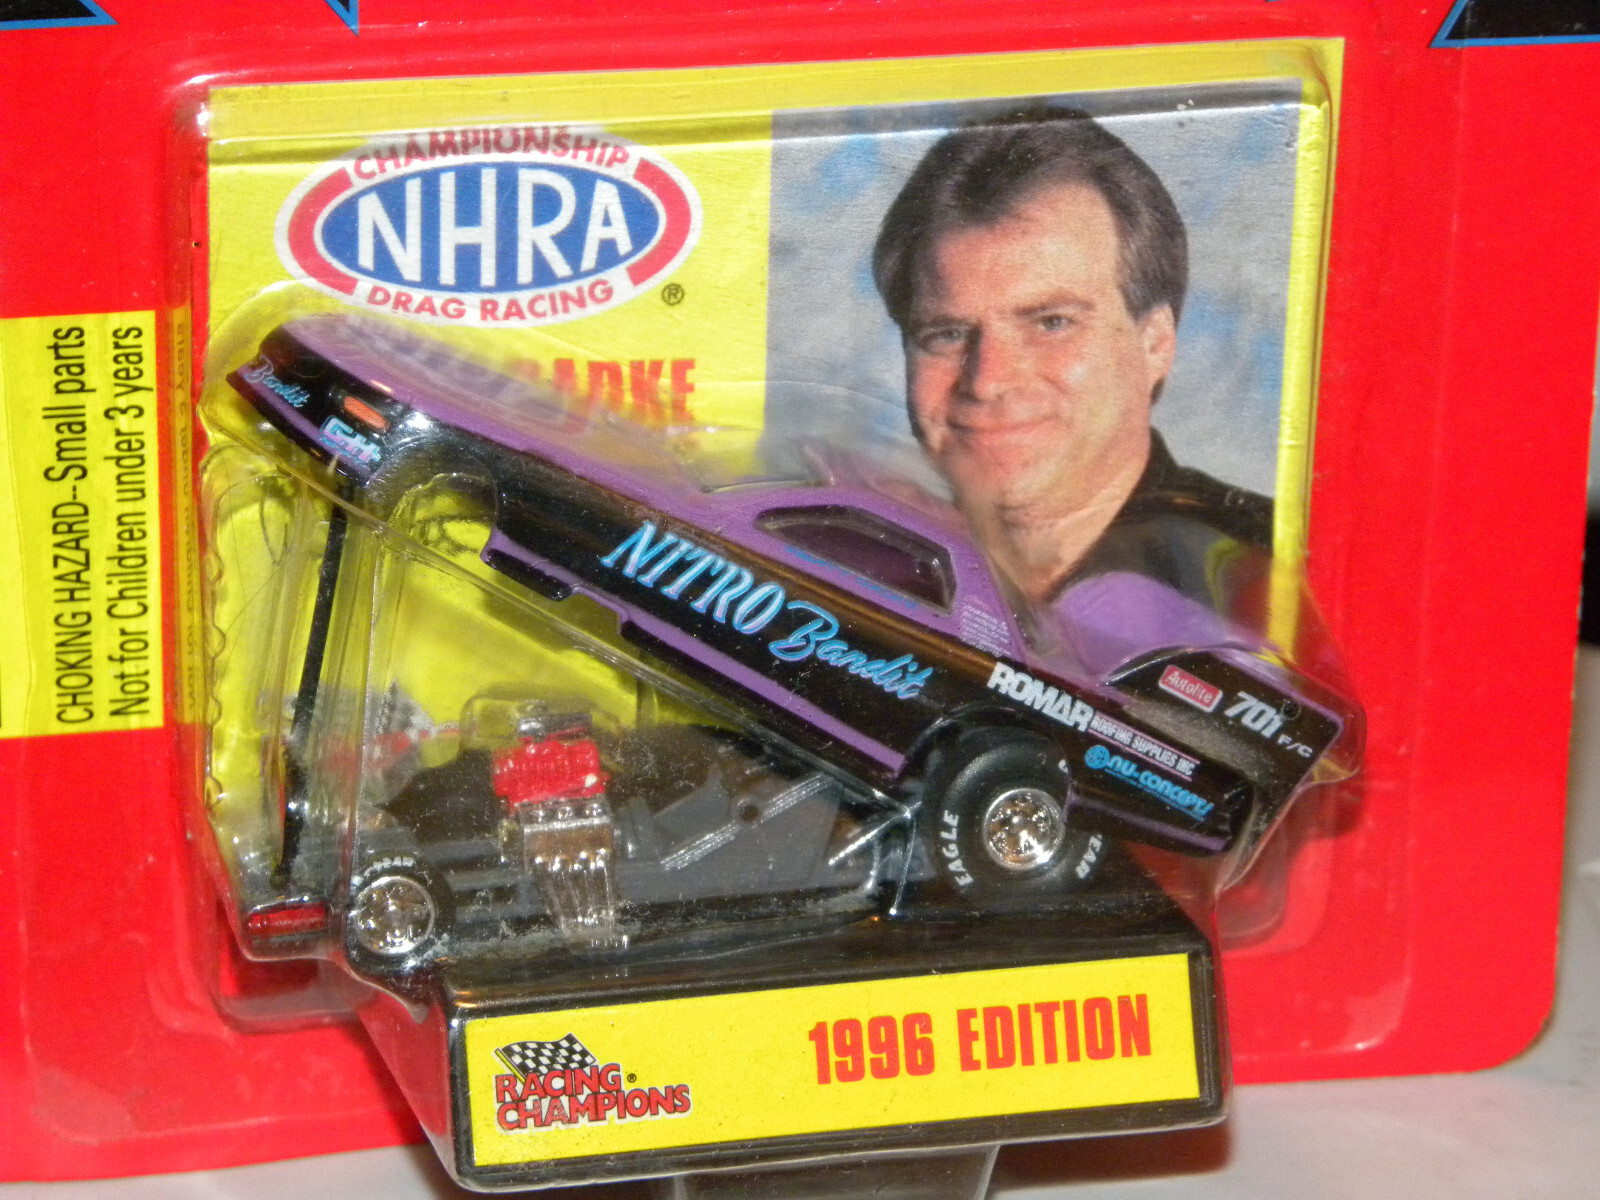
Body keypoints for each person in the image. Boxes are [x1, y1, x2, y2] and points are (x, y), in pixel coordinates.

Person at [872, 105, 1273, 609]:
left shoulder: (1276, 578)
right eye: (947, 334)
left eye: (1051, 323)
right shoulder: (854, 577)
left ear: (1155, 343)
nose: (987, 381)